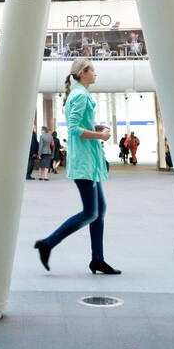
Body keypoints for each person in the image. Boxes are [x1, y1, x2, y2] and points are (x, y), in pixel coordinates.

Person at [35, 59, 120, 274]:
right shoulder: (80, 95)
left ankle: (97, 259)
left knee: (99, 211)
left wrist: (95, 126)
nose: (95, 74)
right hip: (85, 163)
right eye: (92, 70)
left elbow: (79, 125)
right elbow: (73, 128)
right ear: (83, 73)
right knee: (91, 212)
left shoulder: (79, 94)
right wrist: (100, 134)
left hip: (88, 163)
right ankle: (48, 244)